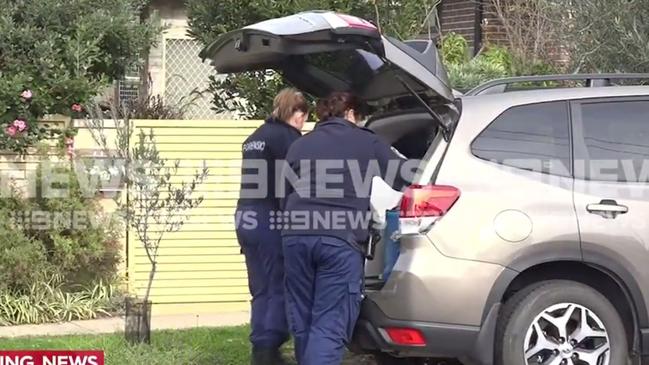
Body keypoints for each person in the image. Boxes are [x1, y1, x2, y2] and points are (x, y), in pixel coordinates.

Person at [280, 91, 407, 365]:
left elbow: (283, 194)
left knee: (303, 322)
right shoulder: (366, 141)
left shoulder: (300, 144)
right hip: (338, 240)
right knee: (330, 324)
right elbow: (404, 177)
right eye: (359, 115)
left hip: (295, 237)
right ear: (349, 112)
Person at [235, 88, 309, 365]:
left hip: (245, 215)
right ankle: (268, 351)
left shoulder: (253, 138)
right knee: (278, 284)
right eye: (303, 116)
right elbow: (290, 185)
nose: (303, 122)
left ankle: (260, 348)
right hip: (269, 218)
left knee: (260, 287)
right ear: (297, 113)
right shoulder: (289, 138)